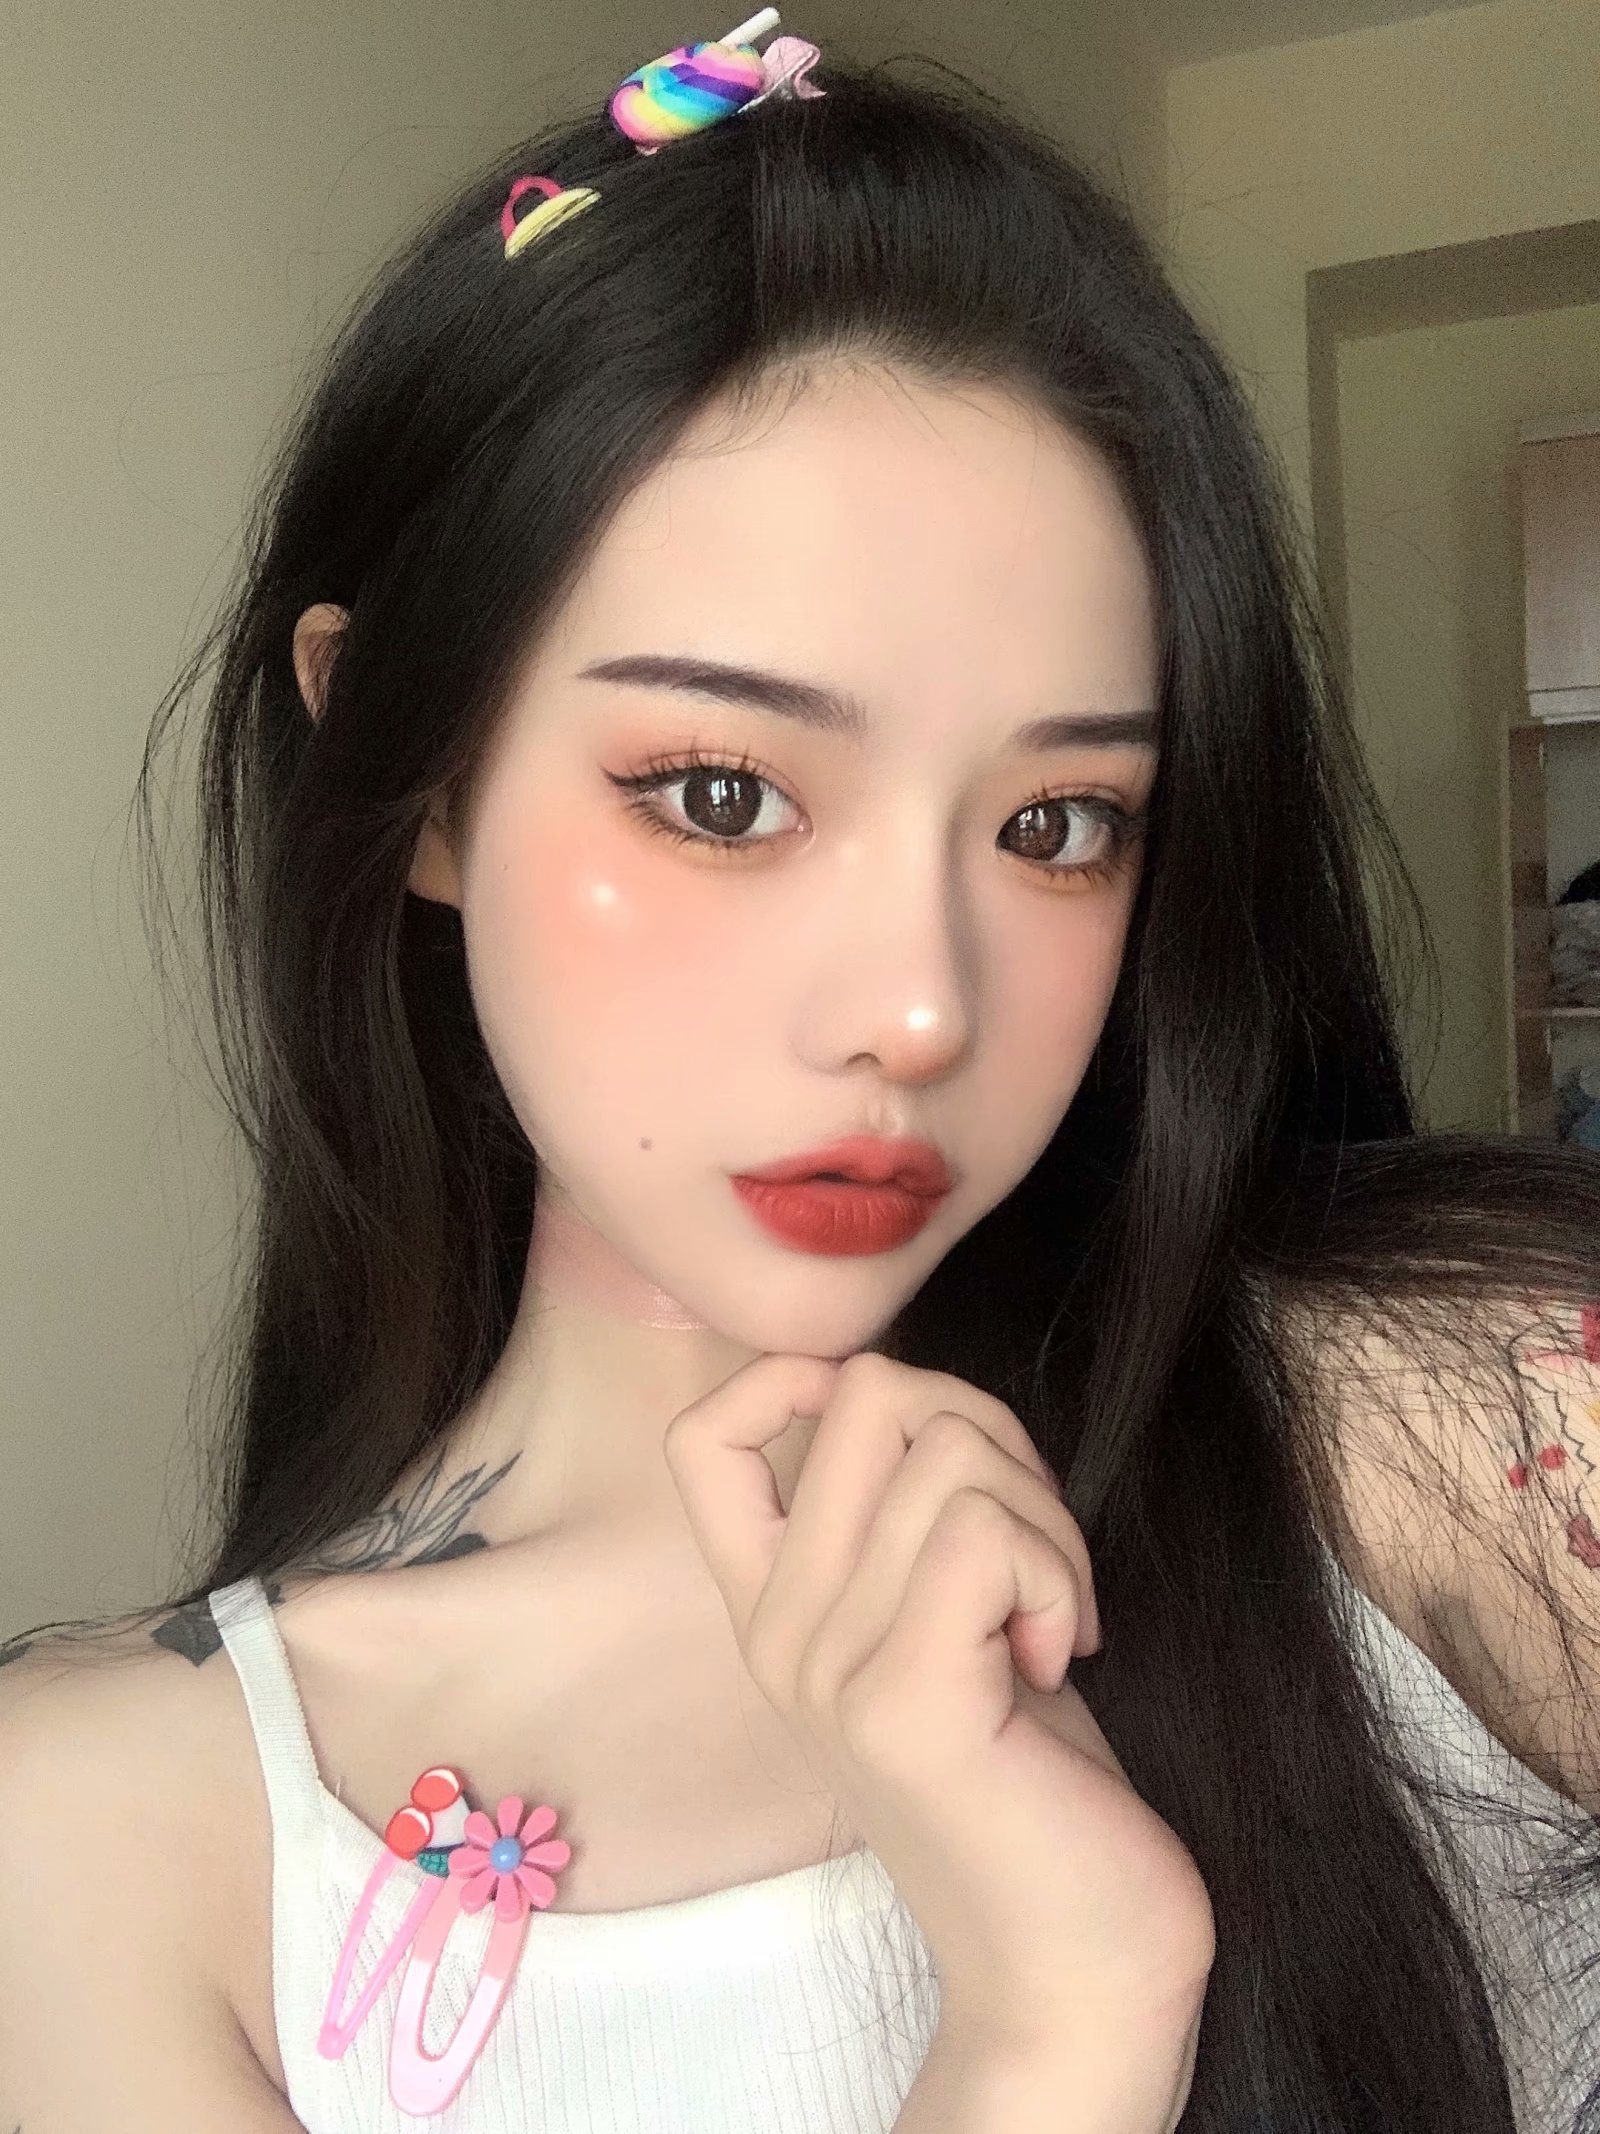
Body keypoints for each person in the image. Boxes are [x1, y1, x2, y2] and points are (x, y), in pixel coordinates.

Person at [2, 16, 1597, 2134]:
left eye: (1055, 824)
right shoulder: (111, 1829)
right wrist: (1055, 2019)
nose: (919, 1009)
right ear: (416, 765)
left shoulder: (1478, 1424)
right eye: (724, 793)